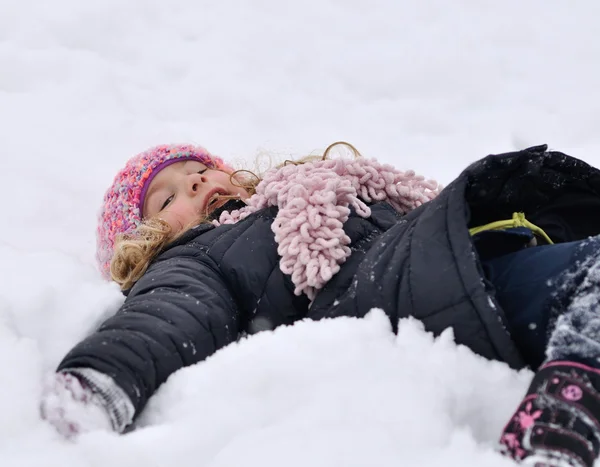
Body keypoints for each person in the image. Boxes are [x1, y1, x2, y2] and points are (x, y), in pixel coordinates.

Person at [40, 142, 600, 467]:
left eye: (200, 170)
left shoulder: (307, 194)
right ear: (144, 243)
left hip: (467, 266)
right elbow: (167, 314)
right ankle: (556, 425)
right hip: (417, 295)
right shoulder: (199, 256)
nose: (196, 184)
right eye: (168, 197)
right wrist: (98, 380)